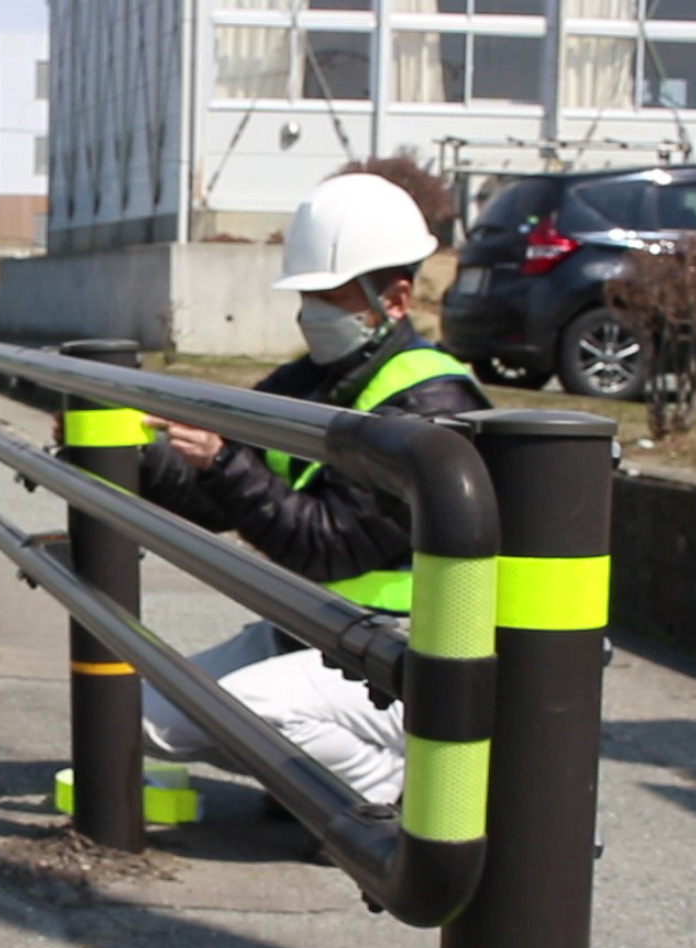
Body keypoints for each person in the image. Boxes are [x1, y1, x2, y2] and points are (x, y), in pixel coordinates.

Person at [137, 171, 491, 812]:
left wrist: (222, 463)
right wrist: (137, 457)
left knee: (245, 712)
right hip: (318, 630)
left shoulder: (430, 405)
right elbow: (227, 496)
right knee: (146, 713)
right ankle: (317, 770)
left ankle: (386, 788)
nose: (311, 314)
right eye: (308, 294)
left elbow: (330, 546)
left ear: (397, 299)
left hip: (409, 656)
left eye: (331, 295)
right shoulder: (316, 379)